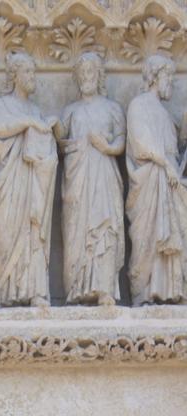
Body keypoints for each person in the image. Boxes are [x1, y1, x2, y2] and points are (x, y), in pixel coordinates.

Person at [0, 51, 57, 307]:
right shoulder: (1, 105)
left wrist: (48, 132)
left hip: (33, 182)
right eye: (27, 71)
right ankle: (5, 293)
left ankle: (36, 290)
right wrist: (28, 123)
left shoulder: (36, 110)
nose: (32, 77)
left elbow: (45, 150)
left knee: (34, 232)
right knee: (6, 234)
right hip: (9, 183)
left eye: (33, 71)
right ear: (14, 75)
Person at [55, 52, 125, 306]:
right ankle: (76, 289)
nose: (86, 78)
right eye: (82, 74)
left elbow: (121, 141)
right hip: (77, 178)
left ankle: (104, 288)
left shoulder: (112, 108)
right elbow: (59, 141)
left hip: (103, 176)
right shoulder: (71, 111)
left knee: (104, 229)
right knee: (76, 229)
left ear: (98, 76)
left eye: (91, 73)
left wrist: (106, 147)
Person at [126, 53, 187, 305]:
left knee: (173, 235)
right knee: (147, 237)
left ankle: (172, 291)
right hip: (151, 182)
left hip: (170, 184)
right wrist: (166, 166)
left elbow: (176, 148)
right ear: (155, 77)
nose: (170, 83)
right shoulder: (139, 105)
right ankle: (143, 292)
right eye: (168, 77)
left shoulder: (164, 113)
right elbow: (142, 144)